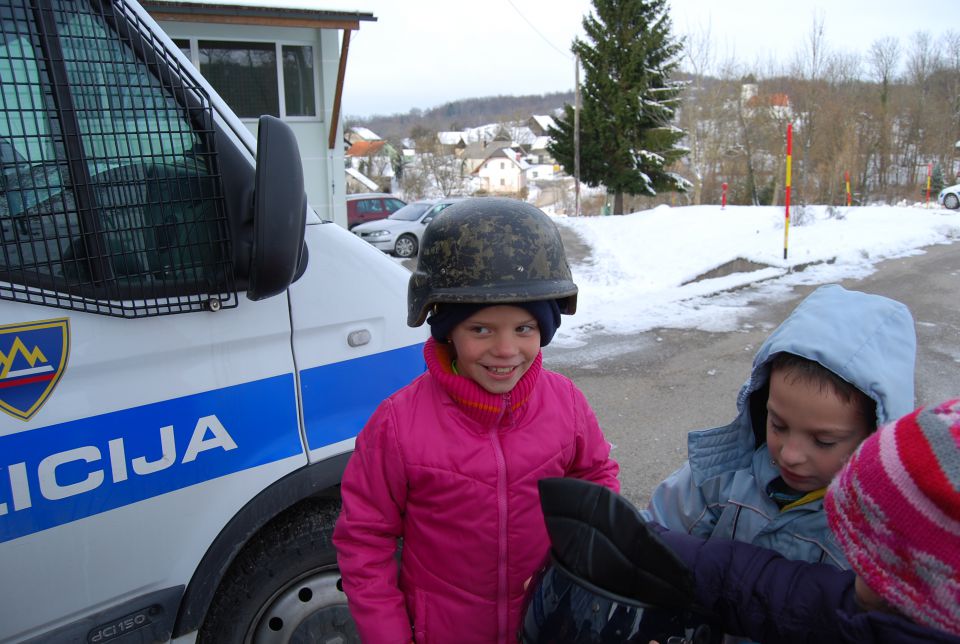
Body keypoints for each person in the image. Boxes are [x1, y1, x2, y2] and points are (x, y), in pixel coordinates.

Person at [333, 197, 620, 643]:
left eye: (524, 328)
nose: (505, 350)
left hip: (546, 626)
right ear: (448, 330)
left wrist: (579, 567)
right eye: (481, 329)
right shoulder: (397, 425)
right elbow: (363, 542)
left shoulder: (567, 404)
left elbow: (597, 481)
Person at [526, 398, 960, 643]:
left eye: (870, 558)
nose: (790, 454)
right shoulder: (874, 608)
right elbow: (768, 589)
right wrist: (642, 546)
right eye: (777, 425)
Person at [643, 284, 916, 568]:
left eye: (823, 441)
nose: (789, 455)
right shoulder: (722, 476)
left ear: (875, 436)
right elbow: (650, 535)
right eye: (778, 425)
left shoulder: (880, 537)